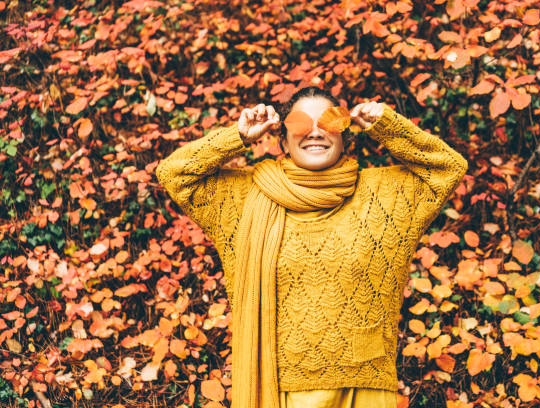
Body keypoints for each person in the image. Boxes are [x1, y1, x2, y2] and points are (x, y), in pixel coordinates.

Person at [155, 86, 468, 408]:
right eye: (301, 124)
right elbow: (173, 173)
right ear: (282, 137)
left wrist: (386, 125)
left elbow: (448, 168)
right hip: (277, 389)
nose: (315, 132)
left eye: (329, 123)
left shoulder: (387, 194)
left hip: (364, 386)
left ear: (346, 134)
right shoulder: (241, 197)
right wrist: (238, 136)